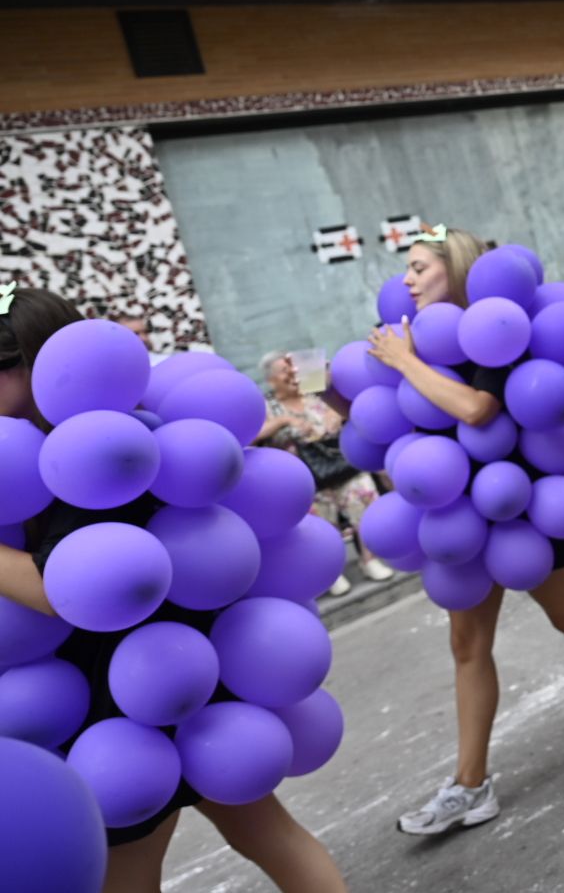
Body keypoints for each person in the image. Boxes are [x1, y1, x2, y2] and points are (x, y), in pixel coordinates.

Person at [0, 287, 347, 891]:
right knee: (264, 833)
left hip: (131, 697)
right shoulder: (76, 445)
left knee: (133, 870)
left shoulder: (96, 454)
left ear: (36, 367)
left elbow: (64, 590)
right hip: (171, 680)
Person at [366, 229, 564, 836]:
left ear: (453, 271)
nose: (406, 280)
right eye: (406, 271)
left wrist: (404, 360)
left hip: (522, 506)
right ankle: (470, 785)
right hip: (457, 513)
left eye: (418, 268)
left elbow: (477, 411)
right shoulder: (420, 336)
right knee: (466, 645)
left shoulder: (490, 329)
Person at [257, 351, 392, 597]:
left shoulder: (313, 389)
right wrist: (283, 421)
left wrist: (334, 412)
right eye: (284, 371)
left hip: (342, 462)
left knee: (364, 506)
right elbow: (253, 435)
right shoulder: (267, 406)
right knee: (320, 526)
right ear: (271, 380)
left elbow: (345, 400)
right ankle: (332, 573)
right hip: (304, 477)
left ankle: (369, 560)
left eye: (292, 369)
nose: (291, 375)